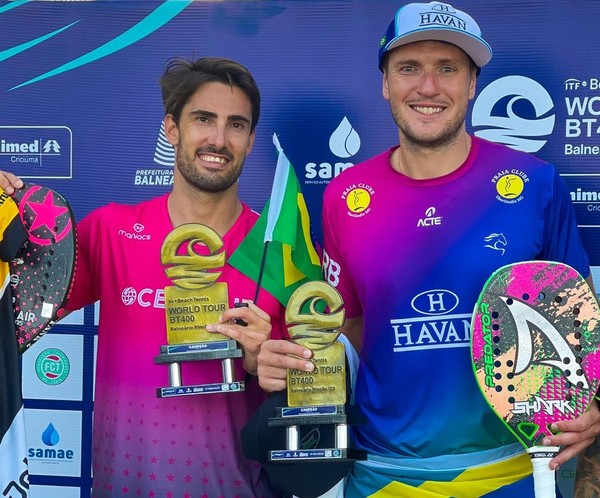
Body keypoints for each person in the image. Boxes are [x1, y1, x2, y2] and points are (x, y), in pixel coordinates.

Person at [256, 2, 600, 497]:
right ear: (385, 83)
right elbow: (348, 330)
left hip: (512, 471)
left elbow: (579, 319)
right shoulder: (344, 196)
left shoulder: (535, 182)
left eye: (448, 69)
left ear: (473, 84)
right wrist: (293, 362)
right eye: (409, 68)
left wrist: (589, 405)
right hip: (379, 474)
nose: (428, 87)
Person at [1, 57, 285, 498]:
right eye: (203, 119)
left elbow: (309, 403)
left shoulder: (282, 251)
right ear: (171, 129)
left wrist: (262, 363)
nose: (218, 139)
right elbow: (21, 301)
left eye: (236, 125)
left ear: (250, 141)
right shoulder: (110, 230)